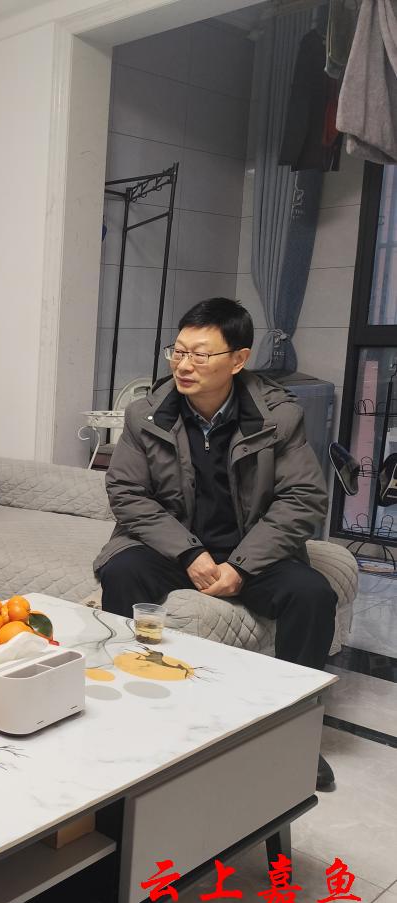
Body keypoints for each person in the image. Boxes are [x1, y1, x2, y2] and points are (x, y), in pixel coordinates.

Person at [94, 298, 337, 791]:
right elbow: (127, 493)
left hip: (252, 550)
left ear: (238, 359)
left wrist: (241, 567)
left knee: (312, 595)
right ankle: (130, 713)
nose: (184, 365)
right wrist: (189, 554)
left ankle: (295, 734)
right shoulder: (146, 415)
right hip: (175, 548)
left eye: (201, 354)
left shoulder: (277, 417)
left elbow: (304, 497)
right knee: (122, 572)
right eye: (178, 352)